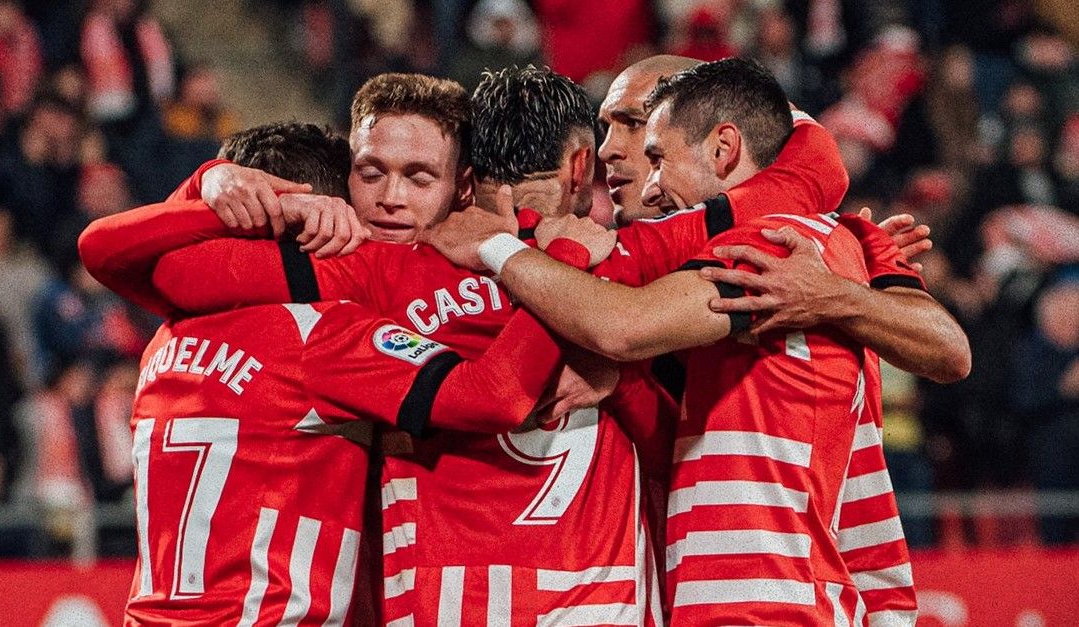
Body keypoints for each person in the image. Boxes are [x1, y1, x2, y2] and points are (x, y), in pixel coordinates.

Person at [425, 58, 969, 624]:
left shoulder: (780, 244)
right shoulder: (693, 261)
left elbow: (951, 350)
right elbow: (682, 445)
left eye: (640, 131)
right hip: (716, 592)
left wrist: (494, 246)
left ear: (721, 146)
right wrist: (619, 379)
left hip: (781, 600)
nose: (617, 151)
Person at [80, 120, 570, 624]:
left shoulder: (166, 335)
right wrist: (563, 269)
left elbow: (100, 246)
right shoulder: (323, 335)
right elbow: (494, 395)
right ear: (319, 217)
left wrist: (208, 182)